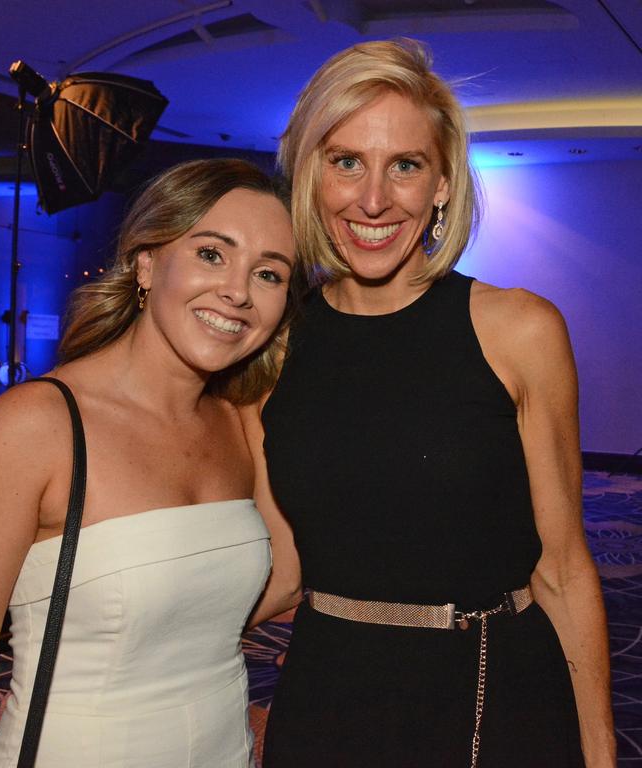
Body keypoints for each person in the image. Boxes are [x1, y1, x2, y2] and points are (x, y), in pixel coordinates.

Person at [243, 39, 616, 767]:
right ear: (311, 177)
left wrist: (601, 753)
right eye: (346, 161)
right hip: (328, 697)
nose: (374, 199)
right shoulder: (276, 345)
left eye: (405, 166)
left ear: (442, 183)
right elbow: (283, 565)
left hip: (491, 696)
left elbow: (563, 567)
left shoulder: (518, 329)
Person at [0, 158, 301, 768]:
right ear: (147, 263)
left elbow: (283, 577)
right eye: (212, 253)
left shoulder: (240, 420)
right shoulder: (32, 430)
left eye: (268, 273)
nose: (237, 291)